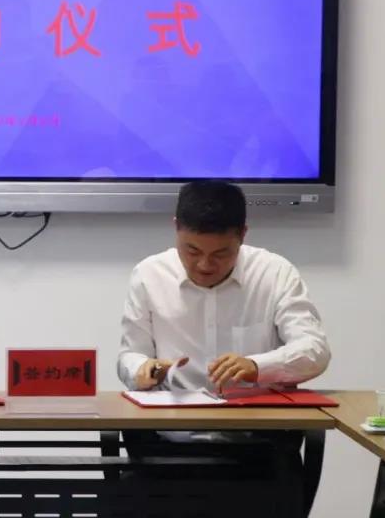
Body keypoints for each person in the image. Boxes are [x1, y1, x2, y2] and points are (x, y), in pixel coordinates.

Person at [116, 180, 331, 513]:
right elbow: (129, 355)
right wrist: (142, 369)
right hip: (170, 449)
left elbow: (315, 349)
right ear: (176, 228)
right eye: (192, 251)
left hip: (259, 450)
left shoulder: (274, 273)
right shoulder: (149, 275)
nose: (204, 265)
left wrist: (258, 366)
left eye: (220, 254)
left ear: (243, 235)